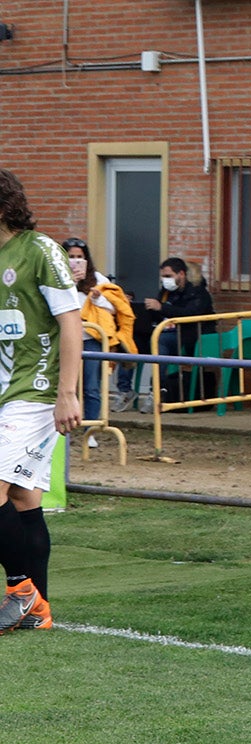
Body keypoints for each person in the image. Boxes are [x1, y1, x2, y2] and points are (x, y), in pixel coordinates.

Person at [0, 168, 83, 634]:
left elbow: (71, 321)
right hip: (6, 391)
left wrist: (67, 393)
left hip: (37, 389)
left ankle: (22, 594)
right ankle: (39, 607)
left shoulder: (39, 249)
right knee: (25, 496)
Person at [68, 239, 136, 434]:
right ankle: (64, 431)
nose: (75, 261)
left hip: (91, 339)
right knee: (67, 386)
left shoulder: (99, 279)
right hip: (64, 339)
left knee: (90, 386)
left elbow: (116, 307)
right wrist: (70, 283)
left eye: (79, 257)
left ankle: (90, 430)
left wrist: (98, 299)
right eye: (71, 257)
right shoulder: (56, 277)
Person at [144, 257, 214, 401]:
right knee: (131, 342)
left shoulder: (197, 292)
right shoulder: (166, 292)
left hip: (193, 335)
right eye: (163, 276)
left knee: (160, 341)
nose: (165, 280)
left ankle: (157, 389)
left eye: (168, 276)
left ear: (181, 274)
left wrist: (162, 307)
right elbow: (159, 315)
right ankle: (125, 389)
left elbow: (191, 313)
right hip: (169, 332)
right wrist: (151, 310)